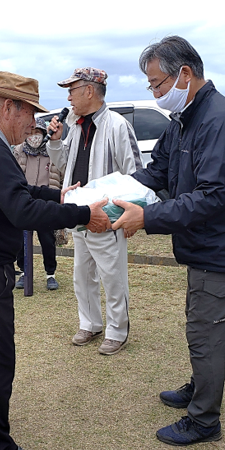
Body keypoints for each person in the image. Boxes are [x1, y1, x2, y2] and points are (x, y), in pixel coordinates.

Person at [0, 70, 111, 450]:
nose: (33, 123)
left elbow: (20, 191)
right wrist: (83, 214)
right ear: (9, 107)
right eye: (29, 113)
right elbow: (21, 210)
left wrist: (60, 195)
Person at [111, 35, 225, 446]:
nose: (156, 93)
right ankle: (200, 387)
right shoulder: (185, 120)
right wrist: (105, 194)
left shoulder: (220, 120)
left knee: (204, 331)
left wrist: (149, 216)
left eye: (158, 84)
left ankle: (204, 420)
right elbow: (156, 172)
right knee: (199, 322)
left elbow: (214, 196)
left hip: (224, 248)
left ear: (185, 74)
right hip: (204, 247)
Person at [47, 68, 143, 355]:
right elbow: (63, 163)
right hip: (79, 212)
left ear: (89, 90)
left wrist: (127, 212)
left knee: (113, 276)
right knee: (82, 274)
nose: (69, 96)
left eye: (72, 90)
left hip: (107, 215)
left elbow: (134, 172)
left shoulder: (117, 125)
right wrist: (55, 140)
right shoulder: (75, 126)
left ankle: (117, 331)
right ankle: (89, 323)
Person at [13, 116, 64, 291]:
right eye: (31, 132)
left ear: (44, 134)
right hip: (24, 201)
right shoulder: (18, 151)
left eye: (38, 133)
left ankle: (51, 274)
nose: (34, 136)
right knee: (21, 239)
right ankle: (23, 272)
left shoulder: (53, 150)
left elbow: (62, 174)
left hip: (45, 202)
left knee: (47, 239)